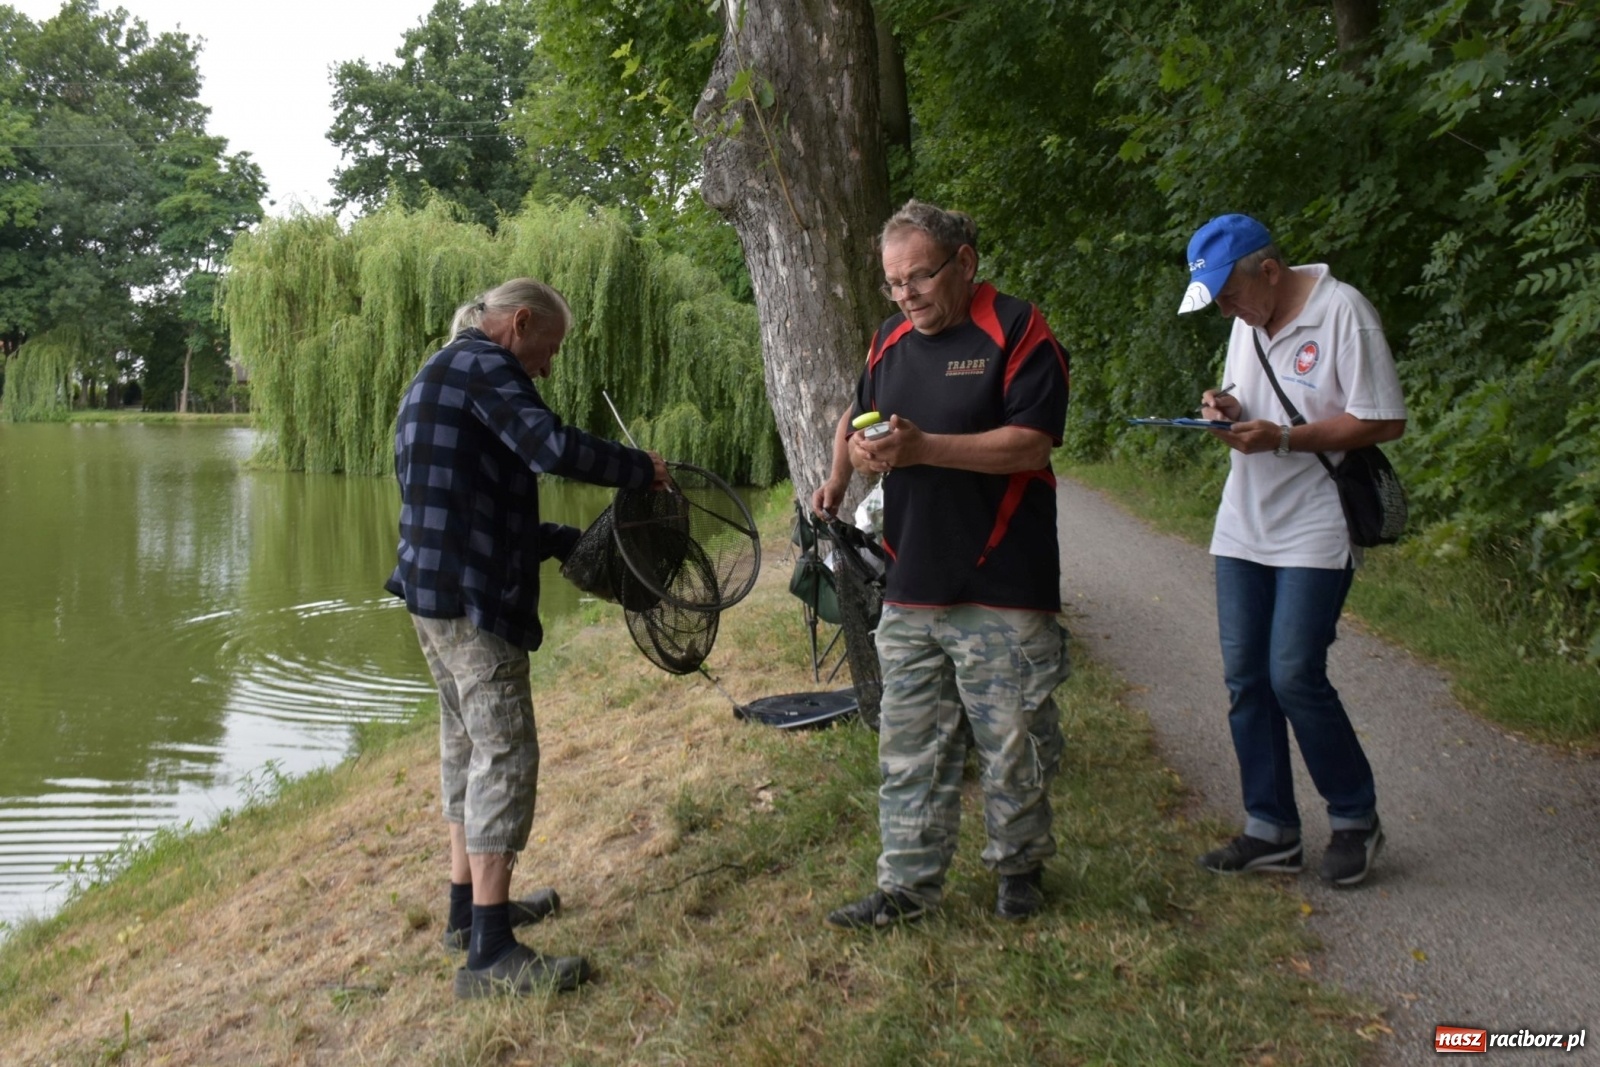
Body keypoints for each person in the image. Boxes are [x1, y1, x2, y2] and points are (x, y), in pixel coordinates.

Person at [386, 277, 667, 997]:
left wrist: (553, 538)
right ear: (519, 323)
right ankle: (491, 954)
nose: (547, 368)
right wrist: (640, 469)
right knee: (506, 753)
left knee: (466, 748)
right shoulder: (488, 366)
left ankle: (467, 911)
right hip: (474, 605)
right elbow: (548, 447)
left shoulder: (437, 373)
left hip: (431, 592)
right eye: (548, 350)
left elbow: (461, 499)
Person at [820, 200, 1072, 928]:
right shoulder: (890, 338)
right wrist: (846, 471)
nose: (906, 296)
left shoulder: (1019, 328)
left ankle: (1019, 868)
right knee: (909, 744)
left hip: (1005, 578)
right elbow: (857, 413)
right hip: (913, 579)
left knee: (1014, 742)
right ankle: (906, 886)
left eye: (920, 277)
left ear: (965, 262)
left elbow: (1031, 444)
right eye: (894, 284)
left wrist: (924, 448)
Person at [1181, 214, 1406, 887]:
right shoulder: (1245, 320)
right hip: (1244, 521)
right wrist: (1223, 407)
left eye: (1229, 293)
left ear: (1269, 271)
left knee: (1293, 672)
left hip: (1316, 521)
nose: (1226, 308)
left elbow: (1383, 418)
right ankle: (1270, 828)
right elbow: (1250, 398)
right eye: (1217, 298)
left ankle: (1354, 817)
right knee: (1246, 676)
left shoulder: (1343, 313)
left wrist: (1281, 439)